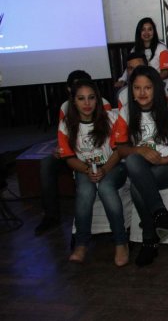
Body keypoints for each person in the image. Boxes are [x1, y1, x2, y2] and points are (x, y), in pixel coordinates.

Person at [114, 66, 168, 266]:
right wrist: (139, 150)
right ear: (131, 90)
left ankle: (149, 238)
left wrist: (166, 160)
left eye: (147, 88)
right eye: (137, 88)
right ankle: (160, 214)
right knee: (133, 160)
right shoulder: (126, 112)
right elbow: (121, 148)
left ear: (156, 89)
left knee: (136, 186)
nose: (142, 93)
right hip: (143, 169)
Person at [58, 79, 128, 266]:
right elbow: (69, 158)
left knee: (105, 187)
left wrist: (104, 169)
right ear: (73, 102)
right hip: (84, 168)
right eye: (81, 99)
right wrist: (88, 170)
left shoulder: (111, 118)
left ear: (98, 99)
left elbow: (119, 151)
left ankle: (121, 242)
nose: (87, 103)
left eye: (91, 98)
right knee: (85, 191)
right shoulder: (65, 125)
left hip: (114, 166)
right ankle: (81, 244)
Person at [34, 70, 112, 235]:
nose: (86, 101)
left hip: (98, 154)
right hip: (74, 154)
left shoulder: (103, 104)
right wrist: (60, 149)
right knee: (47, 163)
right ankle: (51, 216)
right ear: (69, 90)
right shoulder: (65, 107)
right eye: (77, 90)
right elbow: (65, 136)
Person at [115, 18, 168, 89]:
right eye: (143, 30)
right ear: (139, 32)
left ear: (154, 32)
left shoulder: (162, 48)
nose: (146, 33)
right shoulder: (134, 50)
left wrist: (149, 81)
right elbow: (130, 67)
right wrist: (122, 79)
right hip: (139, 84)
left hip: (158, 84)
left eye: (150, 29)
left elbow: (165, 73)